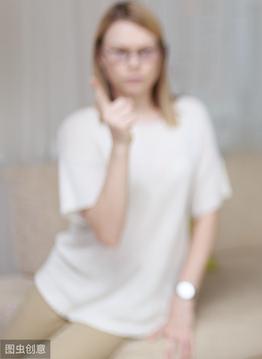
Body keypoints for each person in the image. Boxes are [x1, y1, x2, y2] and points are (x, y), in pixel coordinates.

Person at [2, 2, 231, 358]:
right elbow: (108, 231)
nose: (134, 63)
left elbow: (207, 213)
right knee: (12, 353)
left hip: (128, 307)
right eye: (121, 52)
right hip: (64, 285)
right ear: (101, 58)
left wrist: (184, 296)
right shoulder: (78, 129)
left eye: (145, 51)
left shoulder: (192, 119)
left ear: (162, 56)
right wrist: (120, 145)